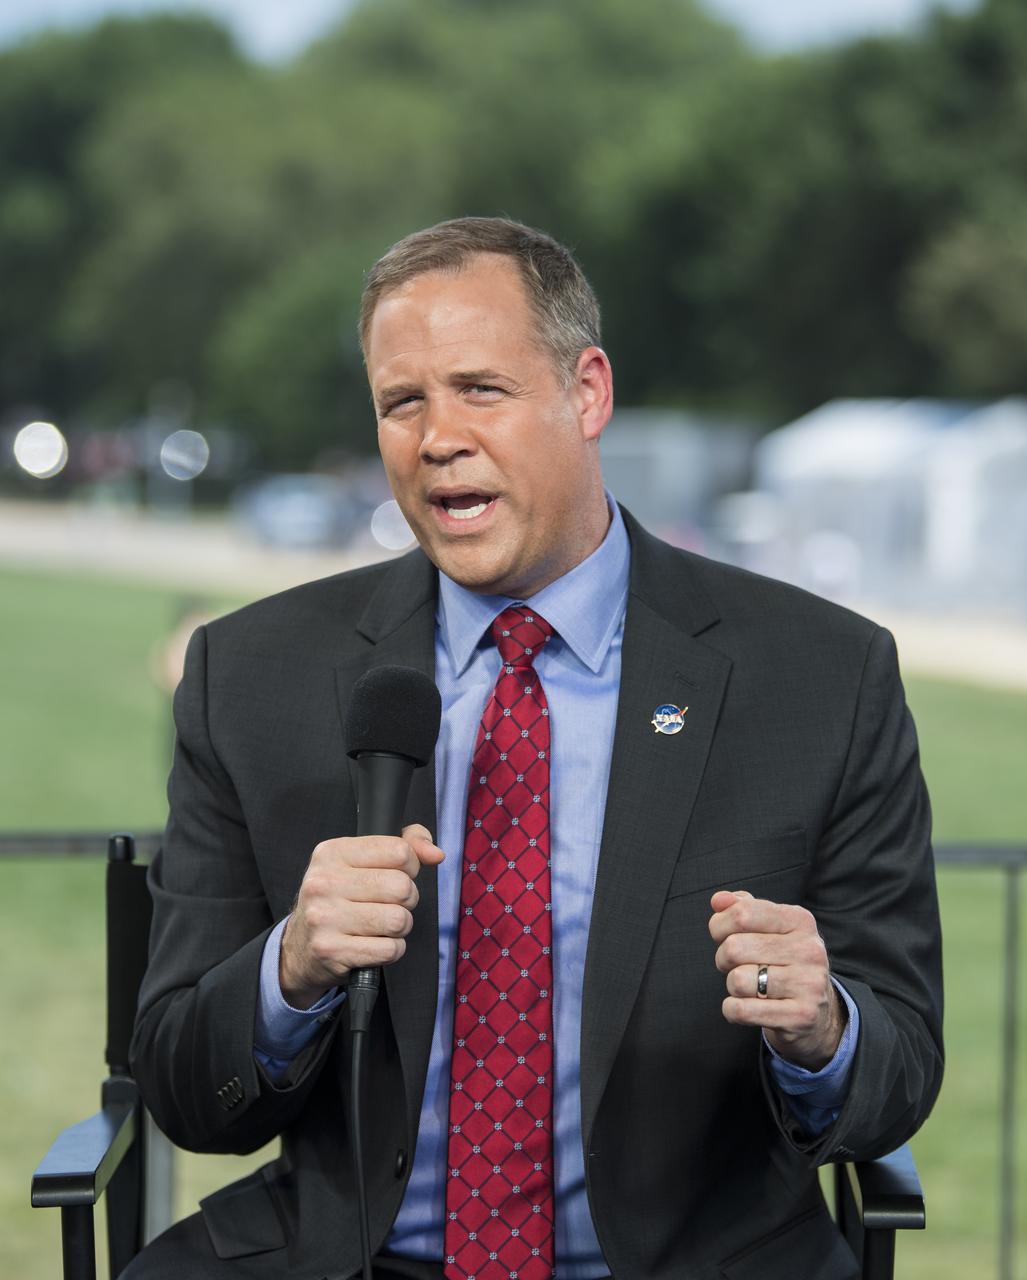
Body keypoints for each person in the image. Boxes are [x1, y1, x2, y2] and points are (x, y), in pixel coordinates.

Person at [127, 217, 943, 1280]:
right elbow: (189, 1092)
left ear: (587, 393)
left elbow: (899, 1068)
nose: (436, 437)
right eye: (400, 402)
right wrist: (293, 964)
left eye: (479, 388)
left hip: (698, 1257)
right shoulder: (252, 676)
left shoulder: (821, 678)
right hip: (350, 1255)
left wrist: (820, 1027)